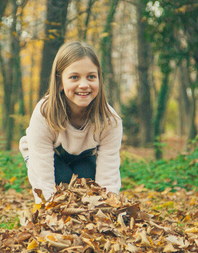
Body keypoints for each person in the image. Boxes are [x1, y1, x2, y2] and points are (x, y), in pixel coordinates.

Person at [19, 40, 122, 203]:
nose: (84, 85)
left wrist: (105, 210)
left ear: (99, 79)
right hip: (46, 155)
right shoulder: (44, 113)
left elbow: (108, 178)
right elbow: (43, 179)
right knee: (62, 182)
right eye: (74, 77)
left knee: (86, 183)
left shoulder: (109, 120)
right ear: (60, 82)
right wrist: (48, 212)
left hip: (83, 155)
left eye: (91, 77)